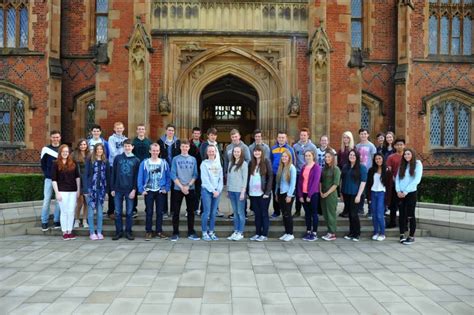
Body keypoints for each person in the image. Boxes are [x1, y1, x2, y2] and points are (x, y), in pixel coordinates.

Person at [137, 143, 170, 241]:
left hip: (160, 190)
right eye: (153, 150)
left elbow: (168, 177)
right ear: (150, 151)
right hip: (149, 191)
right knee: (149, 212)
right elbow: (140, 177)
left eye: (157, 150)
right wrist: (141, 189)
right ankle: (148, 232)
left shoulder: (164, 163)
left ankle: (159, 231)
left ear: (159, 151)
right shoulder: (145, 163)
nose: (155, 152)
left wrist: (166, 188)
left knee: (160, 212)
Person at [170, 140, 200, 241]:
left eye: (186, 147)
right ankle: (175, 232)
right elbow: (173, 174)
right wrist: (181, 187)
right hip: (178, 188)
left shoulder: (193, 159)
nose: (184, 148)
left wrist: (188, 186)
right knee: (176, 212)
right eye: (183, 146)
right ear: (180, 147)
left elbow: (195, 174)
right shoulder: (175, 159)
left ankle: (191, 231)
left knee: (191, 211)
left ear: (189, 148)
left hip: (190, 188)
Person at [111, 139, 140, 241]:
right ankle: (118, 232)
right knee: (118, 212)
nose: (127, 148)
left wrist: (134, 189)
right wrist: (112, 188)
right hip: (118, 189)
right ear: (123, 147)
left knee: (129, 212)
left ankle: (128, 232)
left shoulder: (136, 160)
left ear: (132, 147)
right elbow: (113, 173)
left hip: (130, 190)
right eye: (126, 146)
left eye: (129, 146)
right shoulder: (117, 158)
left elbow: (137, 177)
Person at [51, 144, 80, 240]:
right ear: (60, 152)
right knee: (64, 211)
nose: (65, 153)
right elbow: (54, 180)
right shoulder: (55, 163)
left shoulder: (73, 163)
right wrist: (57, 192)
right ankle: (64, 232)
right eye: (63, 151)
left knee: (71, 211)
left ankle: (69, 231)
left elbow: (77, 177)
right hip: (62, 191)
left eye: (67, 152)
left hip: (73, 190)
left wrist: (78, 190)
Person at [83, 143, 110, 240]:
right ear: (95, 150)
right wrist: (85, 190)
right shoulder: (90, 160)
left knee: (99, 212)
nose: (99, 151)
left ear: (103, 150)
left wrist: (107, 191)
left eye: (101, 149)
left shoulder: (105, 161)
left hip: (101, 190)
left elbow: (108, 176)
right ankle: (92, 232)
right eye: (97, 149)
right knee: (90, 213)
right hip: (91, 190)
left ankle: (99, 231)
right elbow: (85, 175)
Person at [396, 148, 423, 245]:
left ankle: (411, 236)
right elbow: (397, 179)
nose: (406, 156)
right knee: (402, 215)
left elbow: (416, 180)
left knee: (410, 215)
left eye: (408, 154)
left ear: (412, 154)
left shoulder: (418, 164)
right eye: (405, 154)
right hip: (400, 193)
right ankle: (402, 234)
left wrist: (406, 191)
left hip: (410, 193)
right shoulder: (402, 165)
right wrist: (398, 190)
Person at [341, 149, 367, 242]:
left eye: (354, 155)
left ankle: (357, 233)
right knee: (349, 214)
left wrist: (359, 195)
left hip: (355, 194)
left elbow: (363, 182)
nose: (352, 156)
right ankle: (351, 232)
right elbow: (342, 180)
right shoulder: (345, 167)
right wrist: (341, 193)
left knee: (354, 214)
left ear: (357, 157)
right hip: (346, 193)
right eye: (350, 155)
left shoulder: (362, 167)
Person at [248, 145, 273, 242]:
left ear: (262, 152)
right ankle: (257, 233)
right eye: (255, 151)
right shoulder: (251, 163)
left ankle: (264, 234)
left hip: (263, 193)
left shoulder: (266, 162)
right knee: (257, 214)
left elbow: (270, 177)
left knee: (264, 214)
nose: (257, 153)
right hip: (253, 193)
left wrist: (267, 191)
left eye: (259, 151)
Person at [367, 153, 393, 241]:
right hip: (373, 193)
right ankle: (376, 232)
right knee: (374, 215)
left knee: (379, 215)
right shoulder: (371, 170)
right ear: (374, 160)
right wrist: (369, 198)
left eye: (380, 158)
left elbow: (389, 186)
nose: (378, 160)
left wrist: (388, 200)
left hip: (382, 193)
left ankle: (382, 233)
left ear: (383, 159)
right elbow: (368, 185)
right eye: (376, 159)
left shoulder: (387, 170)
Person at [296, 150, 321, 241]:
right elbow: (300, 182)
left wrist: (310, 195)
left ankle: (314, 233)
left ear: (313, 156)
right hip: (304, 193)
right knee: (307, 214)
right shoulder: (303, 167)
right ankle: (308, 231)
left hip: (313, 194)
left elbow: (315, 182)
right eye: (306, 155)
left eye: (309, 155)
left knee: (314, 213)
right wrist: (300, 195)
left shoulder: (316, 167)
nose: (307, 157)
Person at [200, 128, 225, 217]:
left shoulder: (217, 145)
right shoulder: (204, 145)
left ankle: (216, 210)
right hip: (208, 170)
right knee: (207, 190)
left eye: (214, 135)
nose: (213, 137)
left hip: (217, 170)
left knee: (216, 191)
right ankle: (204, 211)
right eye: (211, 135)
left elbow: (219, 157)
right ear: (208, 136)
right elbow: (203, 156)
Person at [200, 145, 224, 241]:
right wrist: (213, 191)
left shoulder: (218, 164)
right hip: (207, 191)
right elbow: (205, 180)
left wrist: (218, 190)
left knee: (214, 213)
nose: (211, 153)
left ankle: (211, 231)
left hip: (217, 192)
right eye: (209, 151)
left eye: (213, 151)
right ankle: (204, 232)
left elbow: (221, 179)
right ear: (207, 152)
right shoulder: (204, 164)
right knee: (207, 212)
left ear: (215, 152)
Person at [158, 124, 181, 218]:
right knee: (164, 189)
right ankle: (163, 210)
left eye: (172, 130)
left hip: (174, 169)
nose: (170, 132)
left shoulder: (178, 142)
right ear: (166, 131)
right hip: (164, 169)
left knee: (174, 191)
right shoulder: (160, 141)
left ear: (174, 132)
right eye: (169, 130)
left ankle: (173, 210)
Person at [270, 131, 295, 219]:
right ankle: (276, 211)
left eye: (283, 137)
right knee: (275, 192)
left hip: (285, 174)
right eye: (279, 137)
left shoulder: (289, 149)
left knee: (285, 192)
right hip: (275, 174)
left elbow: (293, 161)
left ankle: (286, 210)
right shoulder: (273, 148)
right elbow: (270, 160)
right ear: (277, 138)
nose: (281, 139)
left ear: (286, 139)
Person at [293, 128, 317, 217]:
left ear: (308, 136)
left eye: (304, 135)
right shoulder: (295, 146)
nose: (302, 137)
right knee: (298, 192)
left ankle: (309, 211)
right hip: (299, 172)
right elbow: (294, 159)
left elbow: (316, 160)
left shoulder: (312, 147)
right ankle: (297, 210)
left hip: (309, 173)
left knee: (308, 191)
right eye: (301, 135)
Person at [40, 130, 62, 231]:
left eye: (57, 137)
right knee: (46, 200)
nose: (55, 139)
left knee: (59, 200)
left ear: (60, 138)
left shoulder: (63, 149)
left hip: (60, 179)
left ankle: (57, 220)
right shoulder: (46, 149)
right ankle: (44, 221)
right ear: (50, 138)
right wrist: (48, 174)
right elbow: (43, 164)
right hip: (49, 179)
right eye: (53, 137)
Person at [226, 146, 249, 241]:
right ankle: (236, 231)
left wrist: (243, 192)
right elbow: (228, 177)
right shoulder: (231, 163)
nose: (236, 153)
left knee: (240, 212)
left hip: (240, 191)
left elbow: (245, 179)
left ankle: (240, 232)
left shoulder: (244, 164)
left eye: (238, 152)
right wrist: (227, 189)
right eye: (235, 151)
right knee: (235, 213)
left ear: (241, 153)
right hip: (231, 190)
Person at [107, 122, 128, 218]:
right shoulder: (111, 138)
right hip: (113, 166)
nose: (119, 130)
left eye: (121, 128)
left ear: (123, 128)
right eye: (117, 128)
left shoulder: (126, 139)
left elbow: (127, 151)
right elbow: (113, 152)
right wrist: (121, 157)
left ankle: (119, 210)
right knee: (113, 188)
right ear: (114, 129)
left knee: (122, 188)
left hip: (123, 166)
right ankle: (111, 211)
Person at [276, 150, 297, 242]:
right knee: (284, 214)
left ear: (289, 158)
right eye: (283, 156)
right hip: (280, 193)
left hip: (288, 194)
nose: (284, 158)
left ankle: (290, 233)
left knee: (288, 214)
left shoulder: (292, 168)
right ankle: (287, 232)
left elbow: (293, 184)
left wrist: (289, 195)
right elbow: (278, 182)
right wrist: (277, 193)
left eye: (286, 156)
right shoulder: (281, 167)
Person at [132, 124, 152, 218]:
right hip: (135, 167)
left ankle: (148, 208)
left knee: (147, 188)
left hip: (146, 168)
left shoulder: (149, 142)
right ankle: (133, 209)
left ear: (145, 131)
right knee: (135, 188)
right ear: (137, 131)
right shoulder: (133, 142)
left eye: (142, 129)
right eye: (139, 129)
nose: (141, 130)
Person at [320, 151, 341, 241]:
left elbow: (335, 184)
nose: (327, 158)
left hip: (331, 195)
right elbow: (320, 181)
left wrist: (327, 193)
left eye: (329, 157)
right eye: (326, 157)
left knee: (331, 214)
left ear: (332, 158)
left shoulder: (336, 169)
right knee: (325, 214)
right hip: (323, 194)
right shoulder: (324, 168)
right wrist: (320, 191)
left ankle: (332, 233)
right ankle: (329, 232)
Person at [355, 128, 376, 217]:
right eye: (361, 134)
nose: (363, 135)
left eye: (365, 134)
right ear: (359, 135)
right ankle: (360, 209)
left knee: (369, 191)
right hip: (360, 171)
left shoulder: (371, 146)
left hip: (369, 171)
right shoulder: (357, 146)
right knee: (361, 190)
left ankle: (371, 210)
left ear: (368, 135)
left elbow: (374, 158)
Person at [386, 138, 406, 228]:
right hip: (394, 184)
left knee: (404, 206)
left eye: (401, 144)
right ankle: (392, 222)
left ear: (404, 145)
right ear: (394, 146)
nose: (399, 146)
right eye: (398, 144)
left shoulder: (407, 156)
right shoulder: (391, 157)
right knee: (393, 205)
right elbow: (389, 170)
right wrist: (395, 180)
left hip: (405, 186)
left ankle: (404, 224)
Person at [72, 139, 89, 229]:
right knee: (80, 202)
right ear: (78, 145)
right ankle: (77, 220)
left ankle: (85, 220)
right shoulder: (74, 155)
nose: (83, 146)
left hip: (87, 180)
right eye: (81, 144)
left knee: (87, 202)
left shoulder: (90, 155)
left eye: (84, 144)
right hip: (78, 180)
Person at [337, 131, 355, 218]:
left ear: (350, 139)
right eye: (344, 137)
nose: (345, 139)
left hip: (350, 173)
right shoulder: (341, 150)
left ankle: (349, 210)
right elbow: (339, 162)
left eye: (347, 137)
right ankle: (346, 208)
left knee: (349, 191)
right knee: (343, 191)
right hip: (342, 172)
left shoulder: (353, 149)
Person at [189, 127, 204, 215]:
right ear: (192, 134)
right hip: (190, 171)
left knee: (199, 191)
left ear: (200, 134)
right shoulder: (189, 143)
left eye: (198, 133)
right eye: (195, 133)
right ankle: (191, 209)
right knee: (191, 191)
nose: (196, 135)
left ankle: (198, 209)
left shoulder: (203, 144)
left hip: (201, 171)